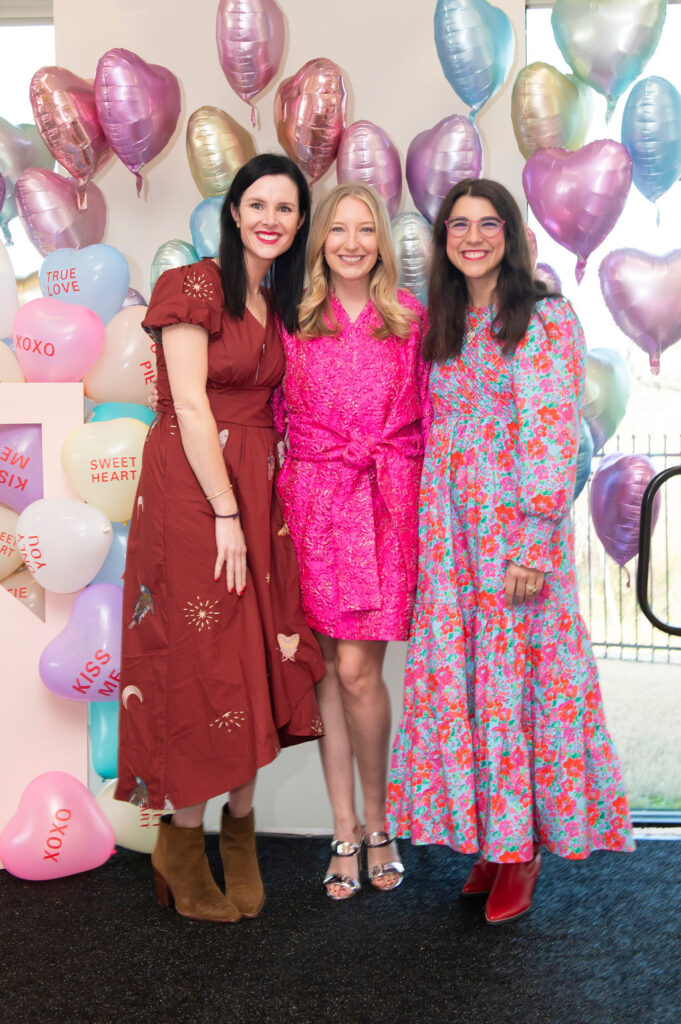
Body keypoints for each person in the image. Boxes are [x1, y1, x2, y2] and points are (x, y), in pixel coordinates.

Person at [387, 178, 634, 924]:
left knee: (519, 682)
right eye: (456, 225)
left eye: (485, 223)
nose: (470, 237)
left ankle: (523, 849)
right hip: (449, 532)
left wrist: (530, 542)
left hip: (509, 533)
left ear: (511, 233)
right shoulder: (445, 320)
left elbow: (553, 435)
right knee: (469, 682)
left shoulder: (545, 316)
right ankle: (494, 840)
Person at [115, 154, 326, 924]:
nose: (272, 218)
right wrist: (227, 514)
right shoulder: (192, 287)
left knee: (253, 660)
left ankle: (239, 834)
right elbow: (192, 408)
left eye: (287, 208)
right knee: (202, 664)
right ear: (233, 210)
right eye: (258, 203)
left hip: (256, 492)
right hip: (195, 491)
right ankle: (179, 840)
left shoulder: (271, 302)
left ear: (298, 222)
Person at [274, 183, 430, 899]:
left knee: (359, 671)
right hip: (311, 504)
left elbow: (434, 426)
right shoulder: (295, 322)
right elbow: (273, 420)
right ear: (320, 243)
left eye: (364, 229)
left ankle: (378, 821)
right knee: (327, 669)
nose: (350, 242)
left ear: (381, 243)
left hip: (381, 504)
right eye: (337, 230)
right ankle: (342, 827)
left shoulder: (413, 323)